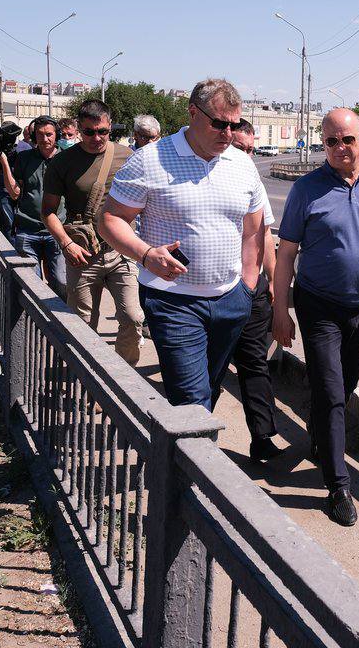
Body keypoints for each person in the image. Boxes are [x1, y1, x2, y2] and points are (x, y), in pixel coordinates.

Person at [273, 107, 359, 527]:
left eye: (346, 139)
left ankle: (319, 431)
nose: (339, 148)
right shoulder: (306, 190)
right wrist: (281, 309)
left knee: (343, 386)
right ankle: (338, 486)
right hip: (319, 306)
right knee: (332, 392)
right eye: (330, 141)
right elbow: (286, 255)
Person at [98, 79, 266, 414]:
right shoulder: (150, 160)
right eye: (218, 123)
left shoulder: (243, 164)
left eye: (233, 125)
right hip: (173, 302)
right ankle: (193, 462)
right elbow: (110, 220)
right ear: (192, 112)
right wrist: (146, 254)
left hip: (231, 301)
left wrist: (246, 287)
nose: (228, 133)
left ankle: (177, 460)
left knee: (208, 391)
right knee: (192, 402)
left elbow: (254, 231)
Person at [41, 100, 144, 365]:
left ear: (110, 128)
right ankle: (85, 381)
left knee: (133, 319)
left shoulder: (128, 157)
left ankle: (122, 380)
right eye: (89, 132)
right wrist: (66, 244)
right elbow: (48, 211)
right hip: (82, 256)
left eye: (102, 132)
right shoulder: (62, 162)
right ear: (78, 129)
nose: (96, 138)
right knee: (83, 326)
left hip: (121, 253)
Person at [212, 119, 282, 459]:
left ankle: (263, 439)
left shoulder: (251, 179)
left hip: (251, 289)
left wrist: (273, 284)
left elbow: (265, 235)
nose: (247, 156)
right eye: (242, 149)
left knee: (255, 362)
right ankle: (191, 437)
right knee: (213, 364)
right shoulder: (208, 176)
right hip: (216, 290)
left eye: (252, 150)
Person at [7, 116, 67, 293]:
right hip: (28, 229)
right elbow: (15, 193)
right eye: (40, 134)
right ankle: (34, 322)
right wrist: (3, 161)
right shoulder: (24, 158)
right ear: (34, 136)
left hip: (57, 231)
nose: (45, 139)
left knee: (61, 282)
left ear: (57, 135)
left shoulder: (66, 158)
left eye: (49, 134)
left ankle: (58, 320)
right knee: (31, 287)